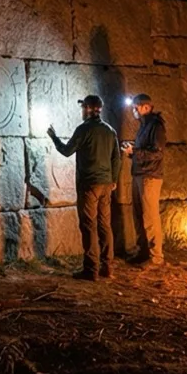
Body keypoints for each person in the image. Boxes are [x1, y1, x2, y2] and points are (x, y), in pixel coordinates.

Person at [49, 94, 122, 281]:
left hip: (89, 184)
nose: (82, 111)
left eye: (83, 108)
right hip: (106, 184)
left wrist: (54, 137)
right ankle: (108, 267)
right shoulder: (110, 131)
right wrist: (113, 180)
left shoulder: (83, 129)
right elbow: (116, 158)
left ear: (89, 109)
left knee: (89, 225)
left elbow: (66, 151)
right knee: (104, 225)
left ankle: (91, 270)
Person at [123, 92, 166, 266]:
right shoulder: (144, 126)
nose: (133, 111)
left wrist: (135, 152)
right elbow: (145, 150)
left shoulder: (156, 126)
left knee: (150, 216)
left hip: (150, 176)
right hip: (140, 174)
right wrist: (133, 151)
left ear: (146, 107)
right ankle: (143, 252)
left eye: (136, 107)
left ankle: (155, 256)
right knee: (139, 215)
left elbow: (157, 153)